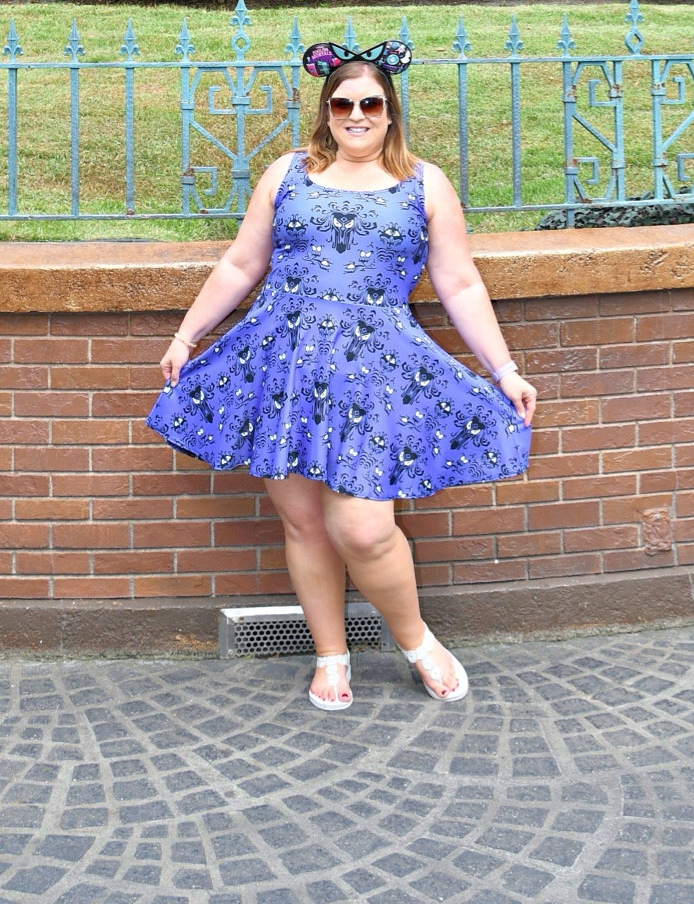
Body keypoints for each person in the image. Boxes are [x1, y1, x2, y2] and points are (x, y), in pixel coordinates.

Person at [146, 37, 537, 711]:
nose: (357, 115)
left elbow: (459, 282)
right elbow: (242, 263)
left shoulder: (425, 182)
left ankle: (417, 641)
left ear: (391, 111)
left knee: (364, 528)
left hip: (373, 372)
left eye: (371, 104)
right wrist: (188, 334)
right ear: (326, 110)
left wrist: (503, 369)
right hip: (284, 364)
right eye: (343, 104)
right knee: (303, 522)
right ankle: (331, 654)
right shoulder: (287, 172)